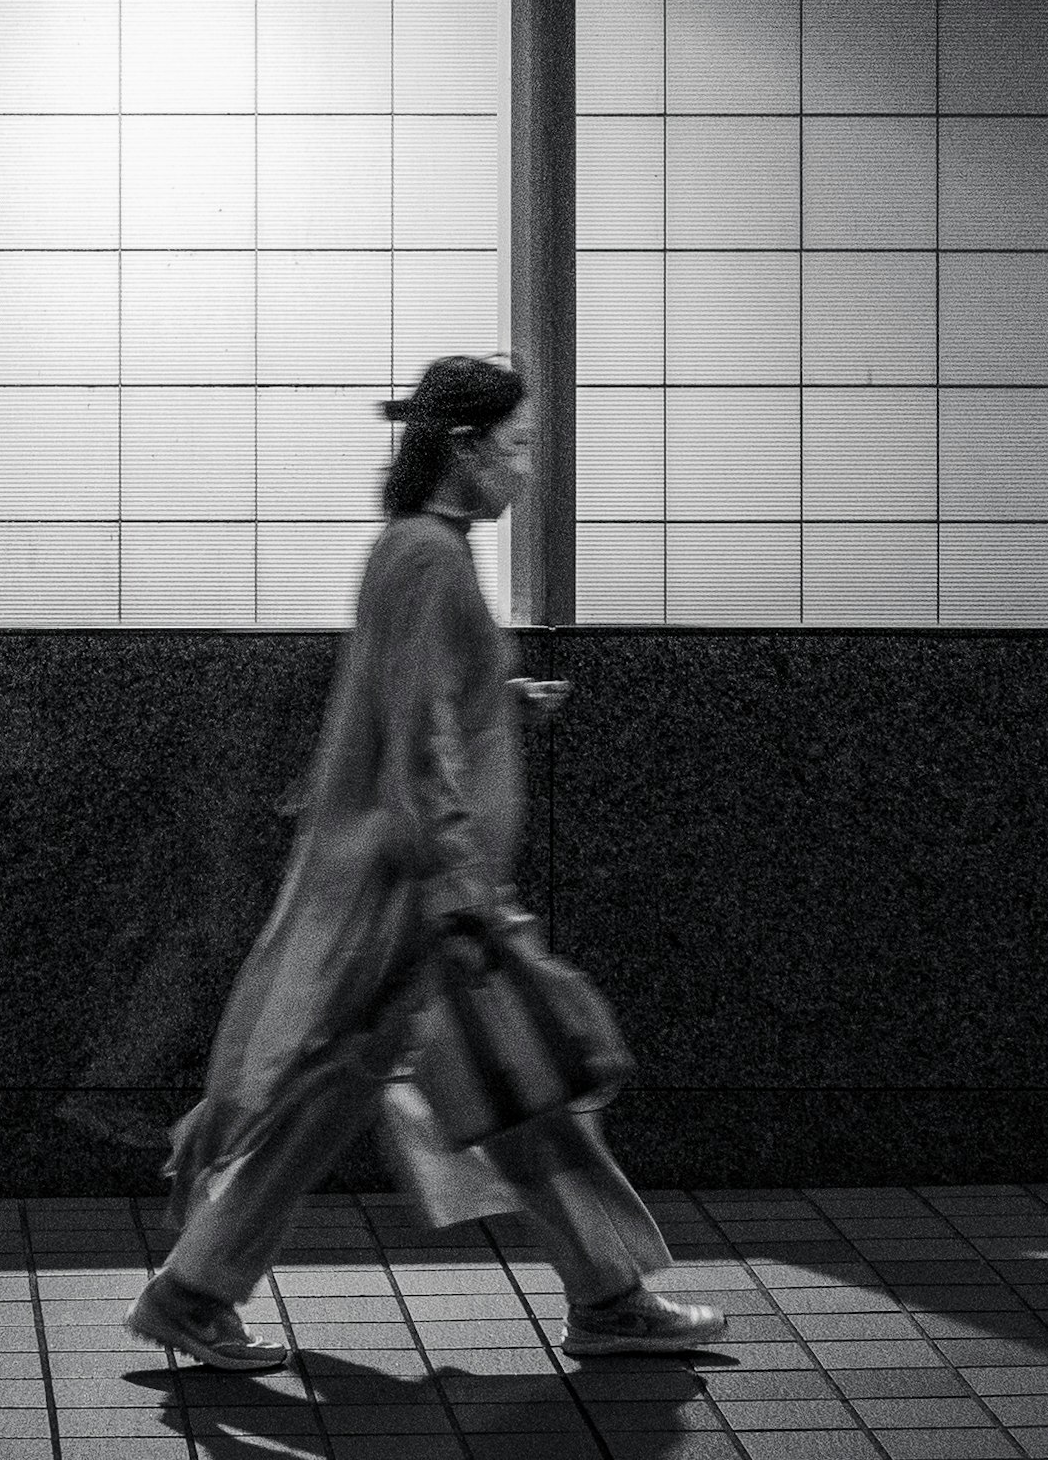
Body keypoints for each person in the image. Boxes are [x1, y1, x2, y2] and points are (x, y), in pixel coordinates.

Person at [127, 354, 726, 1372]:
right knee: (518, 1082)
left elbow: (427, 701)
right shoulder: (427, 555)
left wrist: (506, 700)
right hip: (418, 889)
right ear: (465, 446)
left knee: (370, 1089)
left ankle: (195, 1291)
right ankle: (612, 1297)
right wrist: (459, 888)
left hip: (410, 882)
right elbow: (414, 734)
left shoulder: (420, 549)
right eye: (519, 446)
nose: (527, 471)